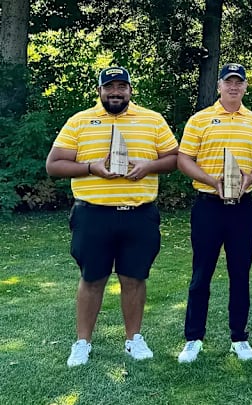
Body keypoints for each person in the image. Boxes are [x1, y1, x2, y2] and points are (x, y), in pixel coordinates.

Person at [46, 66, 179, 367]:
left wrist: (148, 166)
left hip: (139, 214)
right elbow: (54, 165)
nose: (116, 92)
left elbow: (174, 158)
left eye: (122, 87)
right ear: (99, 91)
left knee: (134, 278)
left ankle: (133, 339)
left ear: (131, 90)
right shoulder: (80, 121)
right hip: (93, 215)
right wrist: (90, 167)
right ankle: (82, 342)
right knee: (92, 278)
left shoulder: (152, 120)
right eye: (110, 87)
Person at [176, 63, 252, 363]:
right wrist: (211, 180)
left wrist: (248, 180)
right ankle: (193, 338)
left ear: (245, 87)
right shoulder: (200, 119)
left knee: (240, 274)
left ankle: (239, 338)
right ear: (219, 86)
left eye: (238, 82)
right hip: (208, 205)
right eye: (228, 82)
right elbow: (184, 159)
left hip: (242, 208)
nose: (233, 87)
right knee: (201, 273)